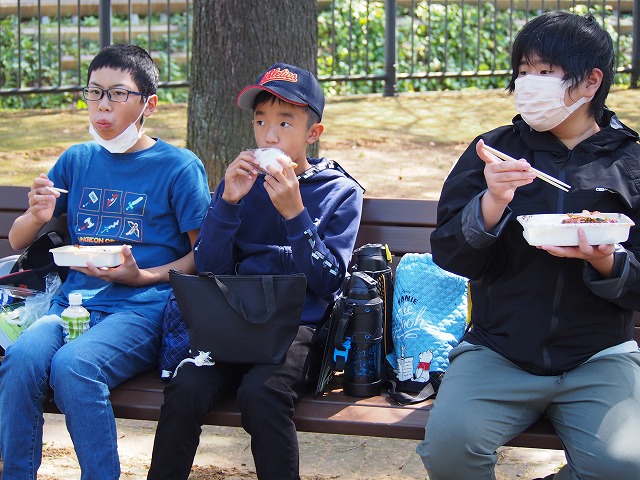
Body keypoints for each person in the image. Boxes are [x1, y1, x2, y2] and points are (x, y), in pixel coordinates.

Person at [416, 11, 640, 480]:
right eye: (522, 71)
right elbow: (451, 254)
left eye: (545, 71)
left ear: (590, 81)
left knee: (625, 467)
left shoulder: (630, 163)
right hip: (498, 350)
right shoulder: (494, 152)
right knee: (450, 450)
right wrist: (492, 201)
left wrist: (608, 262)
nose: (527, 83)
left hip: (598, 355)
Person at [0, 44, 211, 479]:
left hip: (142, 309)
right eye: (94, 92)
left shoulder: (178, 167)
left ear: (149, 104)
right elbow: (18, 239)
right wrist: (35, 215)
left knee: (74, 366)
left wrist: (142, 276)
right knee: (20, 358)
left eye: (117, 93)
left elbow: (204, 254)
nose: (102, 105)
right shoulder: (77, 160)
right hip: (73, 304)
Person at [146, 62, 364, 480]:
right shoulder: (241, 185)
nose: (269, 135)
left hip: (298, 327)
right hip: (234, 321)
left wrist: (296, 214)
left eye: (285, 122)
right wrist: (227, 203)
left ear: (313, 133)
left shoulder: (340, 192)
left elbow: (328, 280)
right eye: (261, 121)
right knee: (186, 386)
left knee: (262, 394)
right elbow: (209, 267)